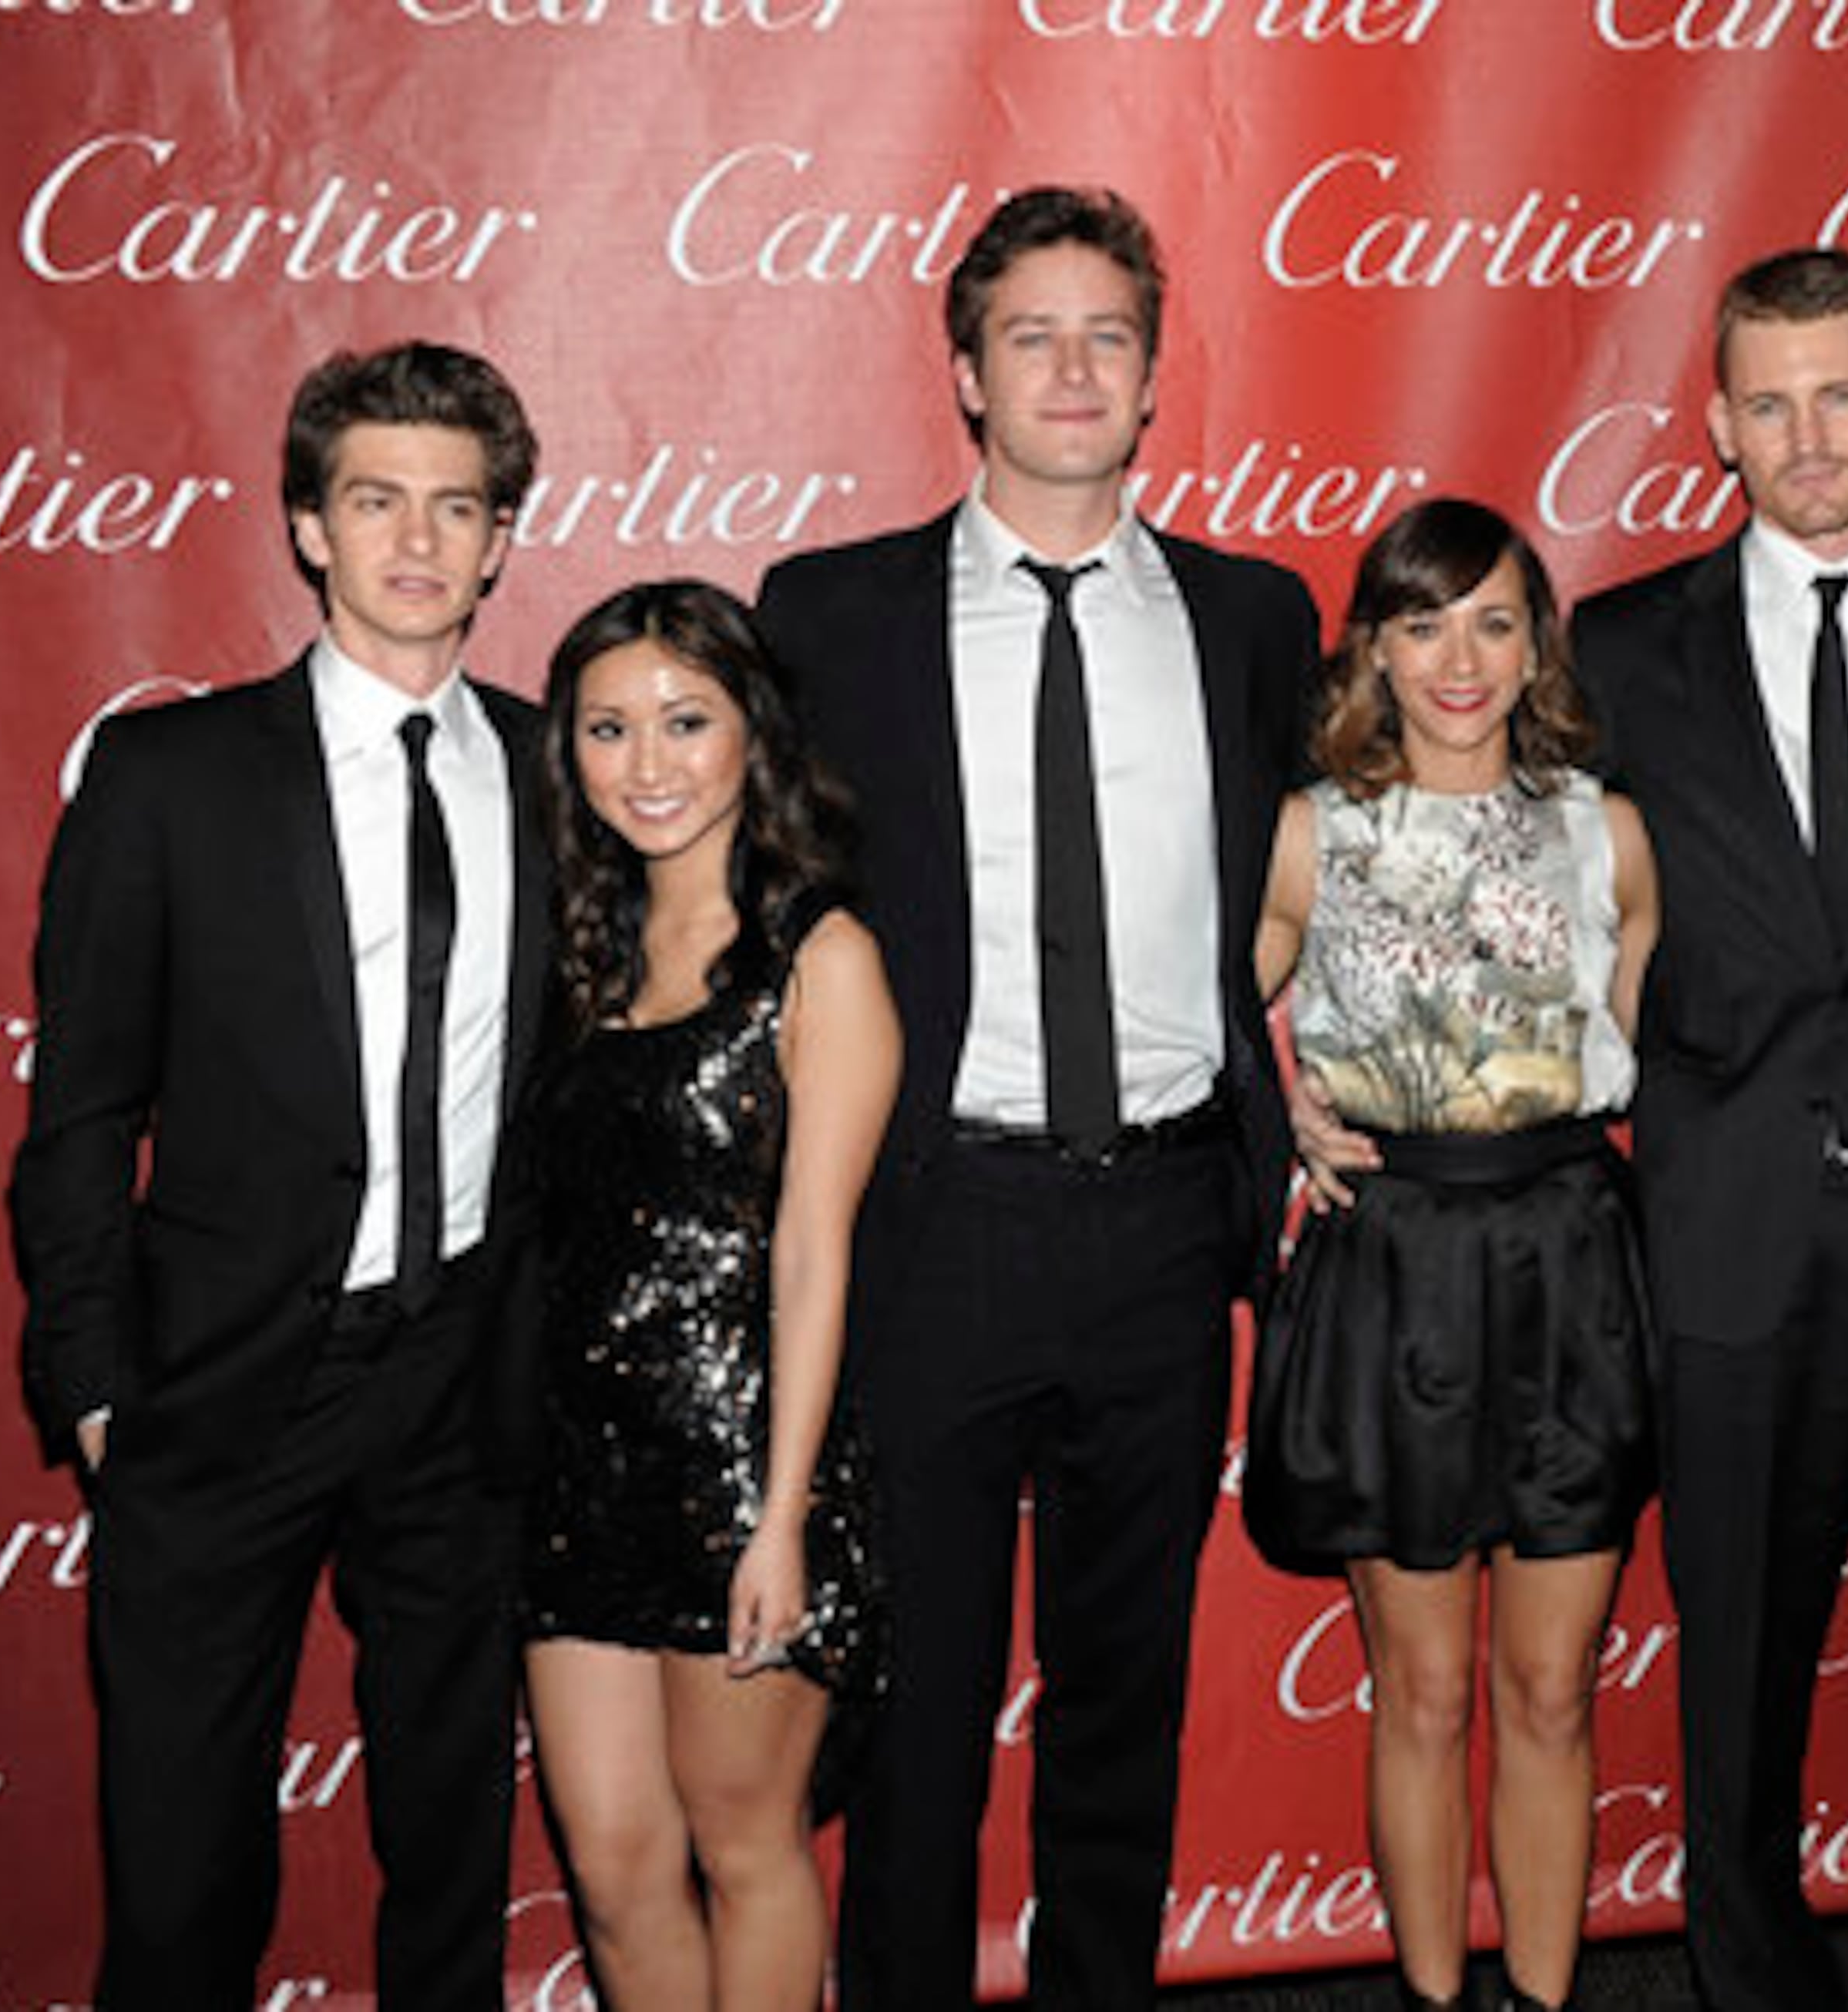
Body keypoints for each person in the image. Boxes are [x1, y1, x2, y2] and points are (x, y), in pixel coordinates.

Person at [1297, 247, 1848, 2010]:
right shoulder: (1629, 648)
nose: (1808, 432)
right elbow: (1459, 889)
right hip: (1724, 1244)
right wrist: (1304, 1068)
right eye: (1769, 399)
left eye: (1841, 391)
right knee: (1739, 1694)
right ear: (1720, 423)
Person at [753, 185, 1319, 2012]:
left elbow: (1318, 887)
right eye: (1032, 336)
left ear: (1154, 377)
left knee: (1119, 1701)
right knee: (911, 1709)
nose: (1074, 370)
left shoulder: (1254, 616)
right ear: (967, 378)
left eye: (1110, 336)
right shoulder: (828, 615)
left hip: (1164, 1226)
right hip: (936, 1223)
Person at [7, 343, 543, 2010]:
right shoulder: (171, 780)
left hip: (463, 1372)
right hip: (219, 1379)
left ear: (502, 540)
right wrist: (94, 1375)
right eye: (376, 500)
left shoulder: (557, 771)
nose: (416, 540)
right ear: (308, 525)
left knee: (453, 1835)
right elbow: (84, 1107)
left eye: (457, 507)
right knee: (182, 1869)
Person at [1248, 499, 1660, 2012]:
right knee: (1421, 1690)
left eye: (1493, 619)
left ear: (1536, 639)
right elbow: (1206, 1035)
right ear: (1375, 646)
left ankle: (1543, 2004)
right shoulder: (1316, 829)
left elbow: (1671, 1048)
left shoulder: (1603, 829)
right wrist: (1281, 1104)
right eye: (1423, 622)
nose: (1459, 657)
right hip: (1393, 1265)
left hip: (1570, 1258)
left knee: (1549, 1690)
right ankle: (1431, 2001)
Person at [521, 579, 900, 2010]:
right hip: (575, 1472)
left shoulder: (824, 958)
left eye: (687, 721)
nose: (650, 762)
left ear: (754, 733)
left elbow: (814, 1255)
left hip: (746, 1473)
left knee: (749, 1848)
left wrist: (782, 1517)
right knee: (616, 1871)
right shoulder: (576, 953)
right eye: (610, 730)